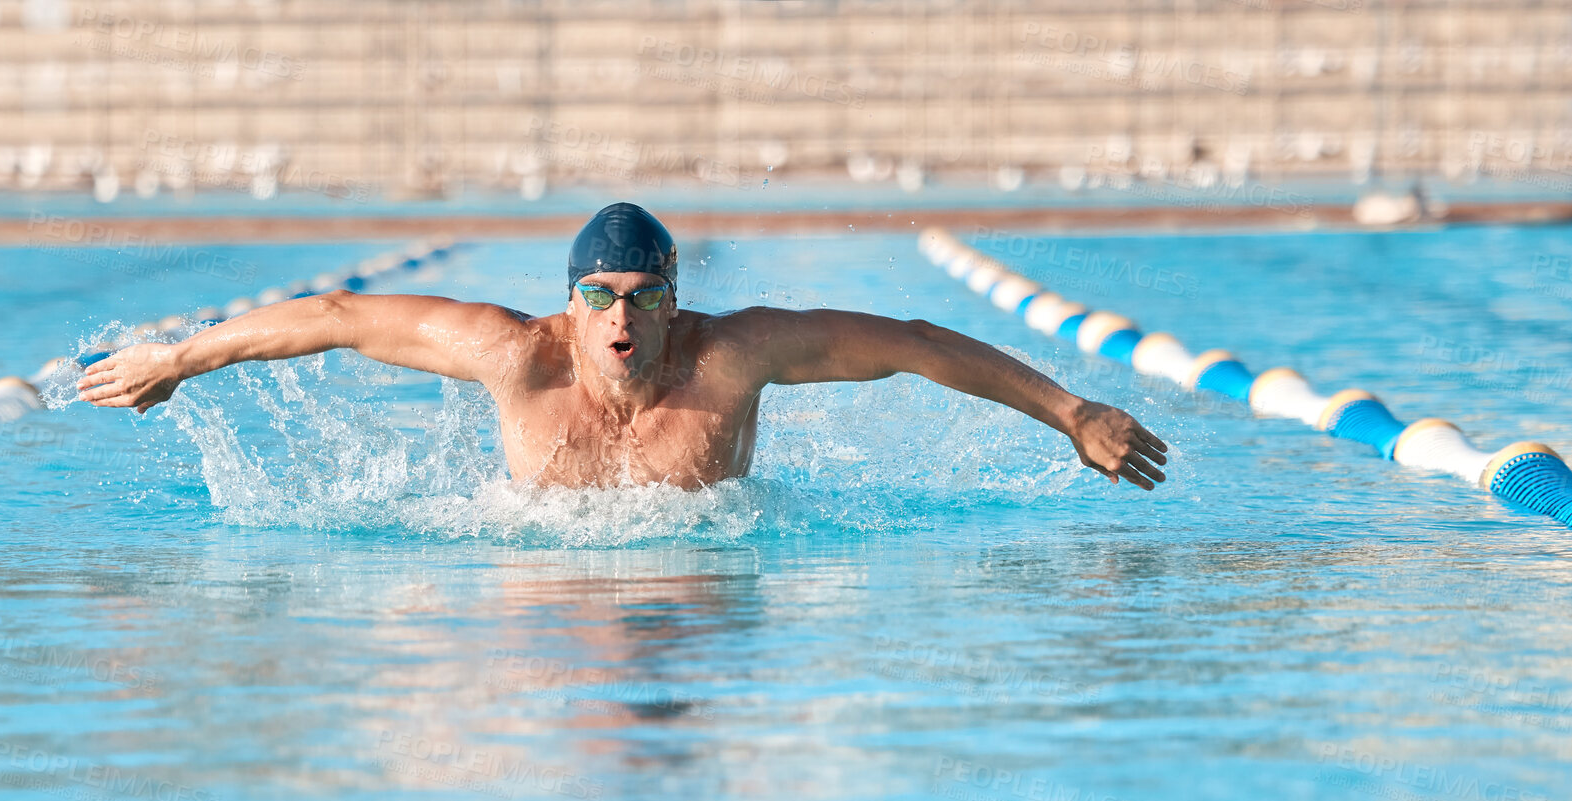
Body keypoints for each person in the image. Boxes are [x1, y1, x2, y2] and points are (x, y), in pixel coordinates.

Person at [78, 202, 1169, 490]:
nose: (619, 320)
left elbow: (918, 343)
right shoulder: (515, 353)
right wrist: (178, 357)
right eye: (599, 296)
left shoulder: (732, 354)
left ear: (673, 303)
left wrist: (1071, 413)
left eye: (643, 298)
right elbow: (331, 317)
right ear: (567, 303)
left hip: (698, 590)